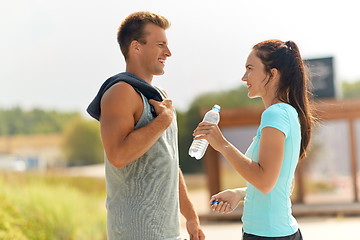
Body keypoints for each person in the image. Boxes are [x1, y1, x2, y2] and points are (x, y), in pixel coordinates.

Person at [87, 11, 205, 240]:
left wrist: (190, 216)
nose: (168, 53)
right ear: (136, 47)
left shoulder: (161, 98)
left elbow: (169, 161)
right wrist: (163, 121)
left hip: (169, 233)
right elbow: (118, 156)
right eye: (160, 45)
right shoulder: (120, 92)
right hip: (134, 233)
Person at [193, 39, 314, 239]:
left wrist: (222, 144)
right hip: (270, 232)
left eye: (250, 68)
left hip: (269, 235)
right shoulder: (285, 113)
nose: (244, 77)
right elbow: (279, 184)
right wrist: (239, 194)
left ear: (272, 74)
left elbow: (265, 182)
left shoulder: (275, 114)